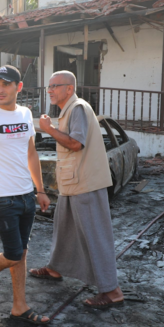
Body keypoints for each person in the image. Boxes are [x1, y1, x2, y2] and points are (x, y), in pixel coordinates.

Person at [0, 65, 51, 325]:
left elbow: (31, 153)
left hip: (27, 195)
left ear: (19, 87)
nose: (0, 90)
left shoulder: (25, 114)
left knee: (21, 253)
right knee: (13, 253)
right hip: (2, 198)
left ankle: (19, 306)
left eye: (6, 84)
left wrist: (40, 189)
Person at [31, 71, 124, 308]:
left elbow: (75, 143)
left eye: (55, 86)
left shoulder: (78, 108)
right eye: (49, 86)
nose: (50, 90)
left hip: (85, 184)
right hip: (73, 182)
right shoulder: (69, 110)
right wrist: (51, 127)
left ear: (69, 89)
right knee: (64, 229)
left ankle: (112, 291)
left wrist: (48, 129)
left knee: (95, 235)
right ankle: (55, 268)